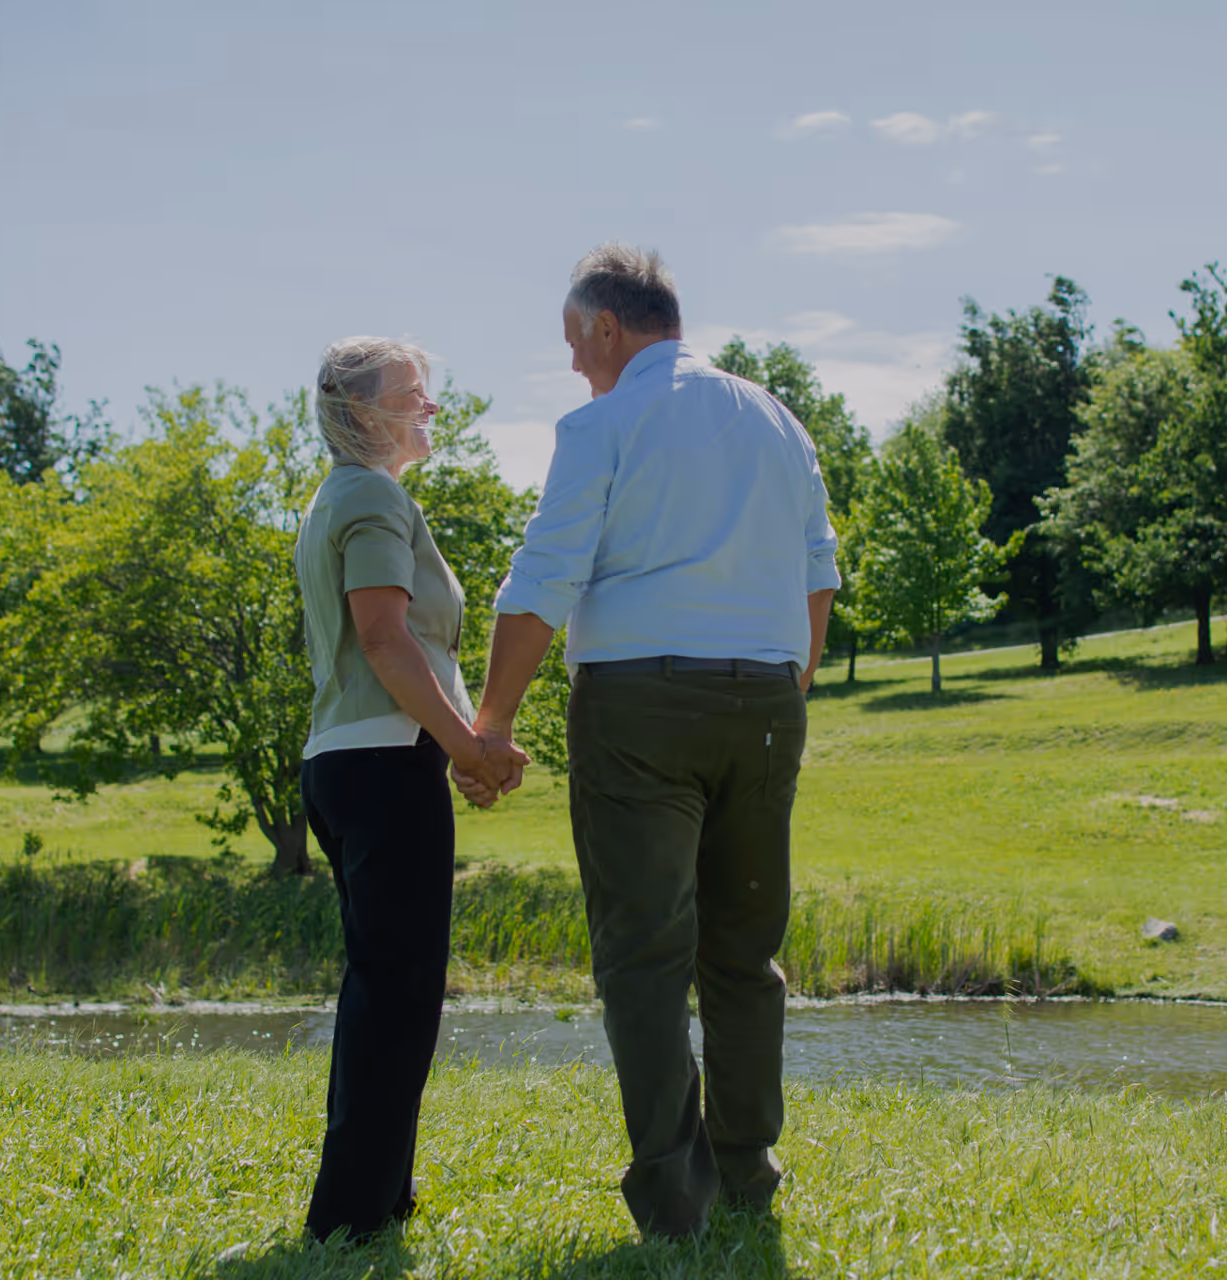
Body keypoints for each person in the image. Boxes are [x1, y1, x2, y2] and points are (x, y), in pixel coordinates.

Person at [455, 245, 839, 1238]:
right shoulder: (776, 418)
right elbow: (816, 572)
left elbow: (543, 578)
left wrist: (490, 721)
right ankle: (749, 1171)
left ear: (609, 330)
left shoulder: (603, 421)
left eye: (576, 345)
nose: (576, 365)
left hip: (637, 707)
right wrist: (783, 683)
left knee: (643, 952)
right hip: (764, 702)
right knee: (745, 950)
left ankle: (675, 1197)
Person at [295, 336, 527, 1242]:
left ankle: (379, 1196)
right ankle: (350, 1219)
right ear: (363, 414)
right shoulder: (371, 493)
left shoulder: (338, 497)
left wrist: (456, 748)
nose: (430, 407)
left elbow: (388, 645)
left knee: (381, 989)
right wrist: (467, 746)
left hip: (351, 762)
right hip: (386, 764)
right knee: (398, 994)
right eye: (414, 394)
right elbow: (387, 641)